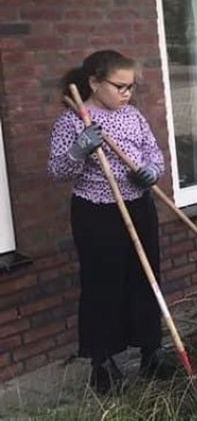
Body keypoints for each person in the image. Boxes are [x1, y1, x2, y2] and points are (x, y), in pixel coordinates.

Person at [47, 50, 172, 394]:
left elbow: (152, 153)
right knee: (103, 282)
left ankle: (151, 350)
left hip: (137, 206)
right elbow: (57, 171)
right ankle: (102, 362)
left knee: (145, 275)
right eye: (120, 86)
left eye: (131, 87)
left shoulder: (133, 116)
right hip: (96, 212)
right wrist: (79, 150)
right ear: (94, 83)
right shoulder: (73, 121)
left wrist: (151, 172)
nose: (127, 93)